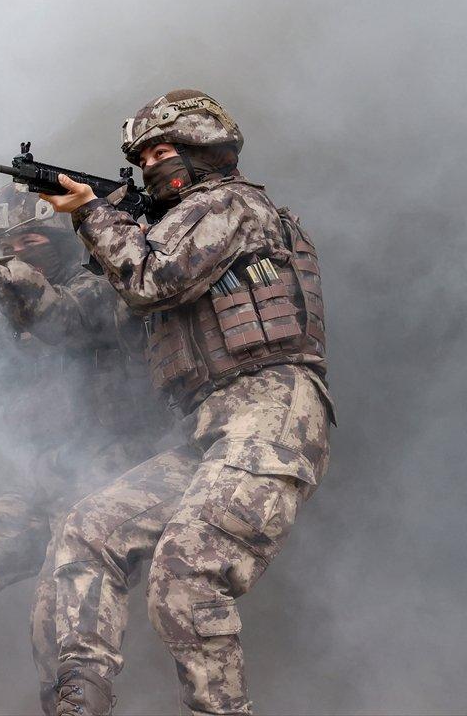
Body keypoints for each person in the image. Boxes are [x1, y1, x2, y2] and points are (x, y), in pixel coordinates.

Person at [40, 90, 333, 715]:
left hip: (270, 414)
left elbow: (152, 281)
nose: (152, 164)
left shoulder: (228, 203)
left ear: (205, 144)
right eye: (143, 157)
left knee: (187, 573)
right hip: (209, 428)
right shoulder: (172, 226)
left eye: (163, 150)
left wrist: (93, 213)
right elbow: (111, 316)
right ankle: (80, 696)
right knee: (90, 529)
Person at [0, 185, 178, 716]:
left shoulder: (103, 283)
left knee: (55, 612)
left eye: (31, 240)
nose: (20, 251)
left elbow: (65, 319)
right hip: (42, 481)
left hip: (103, 479)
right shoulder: (12, 302)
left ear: (60, 238)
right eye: (9, 245)